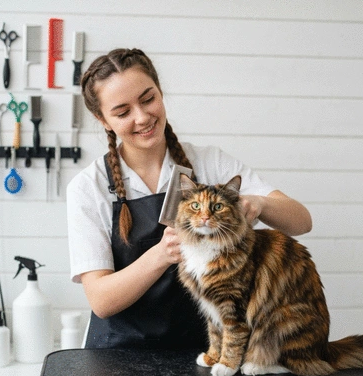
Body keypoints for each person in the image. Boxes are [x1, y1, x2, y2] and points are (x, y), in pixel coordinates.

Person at [67, 48, 312, 349]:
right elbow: (101, 301)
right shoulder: (88, 187)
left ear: (160, 91)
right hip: (118, 357)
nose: (142, 117)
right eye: (122, 112)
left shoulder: (210, 164)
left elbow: (301, 221)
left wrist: (260, 203)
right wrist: (162, 254)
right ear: (102, 119)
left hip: (202, 351)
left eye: (148, 99)